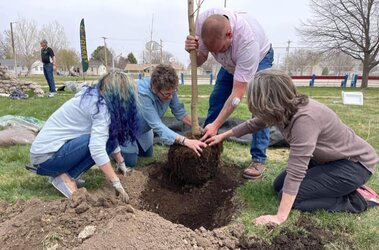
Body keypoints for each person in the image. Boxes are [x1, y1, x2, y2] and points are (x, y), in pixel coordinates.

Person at [207, 69, 379, 225]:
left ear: (270, 101)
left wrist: (280, 217)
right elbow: (255, 124)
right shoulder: (285, 108)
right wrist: (222, 135)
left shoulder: (304, 120)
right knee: (278, 185)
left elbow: (297, 170)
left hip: (354, 165)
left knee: (295, 199)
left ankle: (359, 199)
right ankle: (338, 186)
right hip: (328, 160)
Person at [185, 8, 274, 179]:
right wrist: (192, 51)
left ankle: (258, 159)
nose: (217, 54)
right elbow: (198, 62)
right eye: (214, 51)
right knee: (217, 99)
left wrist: (218, 124)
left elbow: (236, 96)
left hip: (260, 58)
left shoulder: (248, 43)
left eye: (221, 48)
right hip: (230, 64)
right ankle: (208, 149)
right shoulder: (203, 24)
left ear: (229, 34)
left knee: (261, 108)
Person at [29, 71, 139, 202]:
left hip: (45, 155)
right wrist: (115, 181)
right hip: (45, 158)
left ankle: (66, 174)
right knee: (95, 143)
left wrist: (121, 163)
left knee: (105, 140)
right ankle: (66, 179)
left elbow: (111, 138)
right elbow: (97, 148)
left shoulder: (94, 97)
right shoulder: (101, 109)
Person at [120, 64, 207, 167]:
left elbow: (179, 111)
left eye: (173, 92)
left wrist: (196, 126)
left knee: (147, 154)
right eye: (166, 94)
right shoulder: (142, 93)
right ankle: (113, 145)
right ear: (154, 89)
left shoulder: (169, 88)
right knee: (130, 162)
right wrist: (185, 141)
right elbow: (156, 124)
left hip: (143, 128)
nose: (171, 97)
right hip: (125, 128)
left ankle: (135, 144)